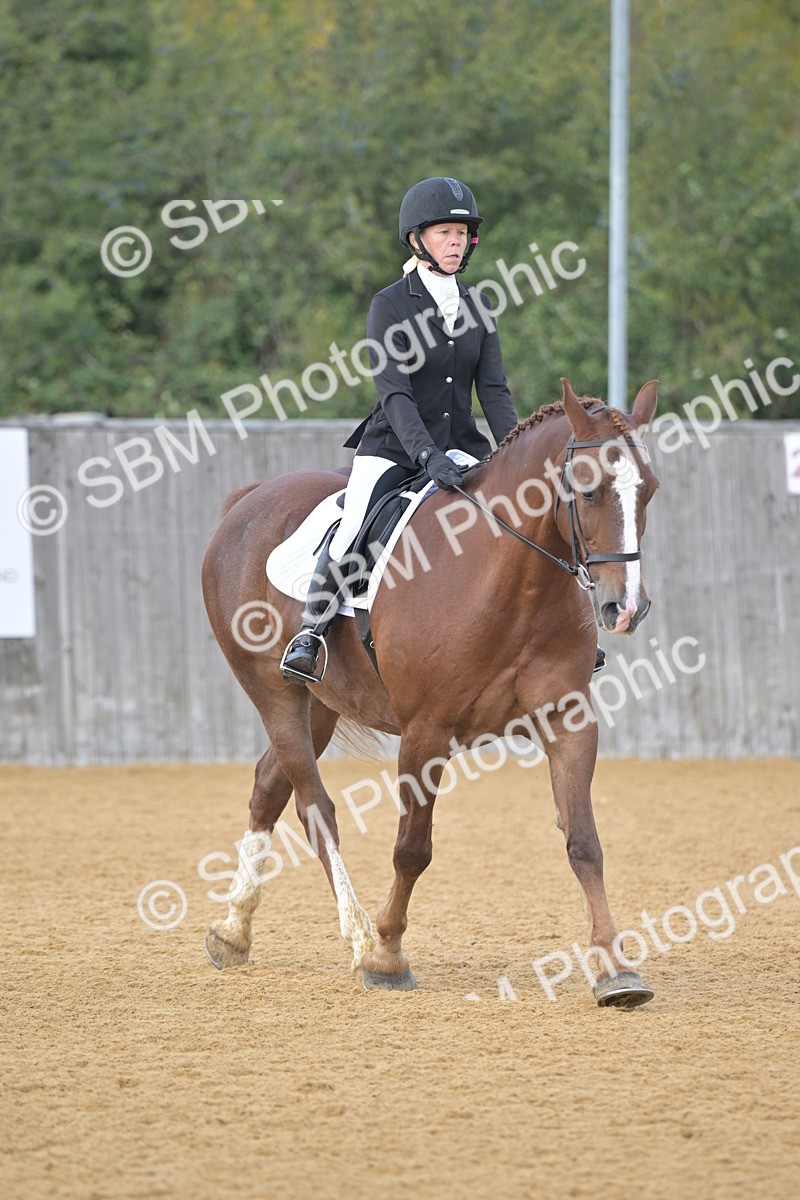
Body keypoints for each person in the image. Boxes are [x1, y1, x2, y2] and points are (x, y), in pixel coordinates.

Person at [281, 175, 519, 683]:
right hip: (395, 447)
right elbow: (395, 393)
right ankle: (311, 633)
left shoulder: (479, 305)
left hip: (462, 447)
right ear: (417, 239)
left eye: (462, 234)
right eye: (444, 233)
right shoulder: (390, 304)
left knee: (522, 517)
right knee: (355, 525)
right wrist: (427, 454)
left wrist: (516, 452)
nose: (455, 243)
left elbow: (494, 391)